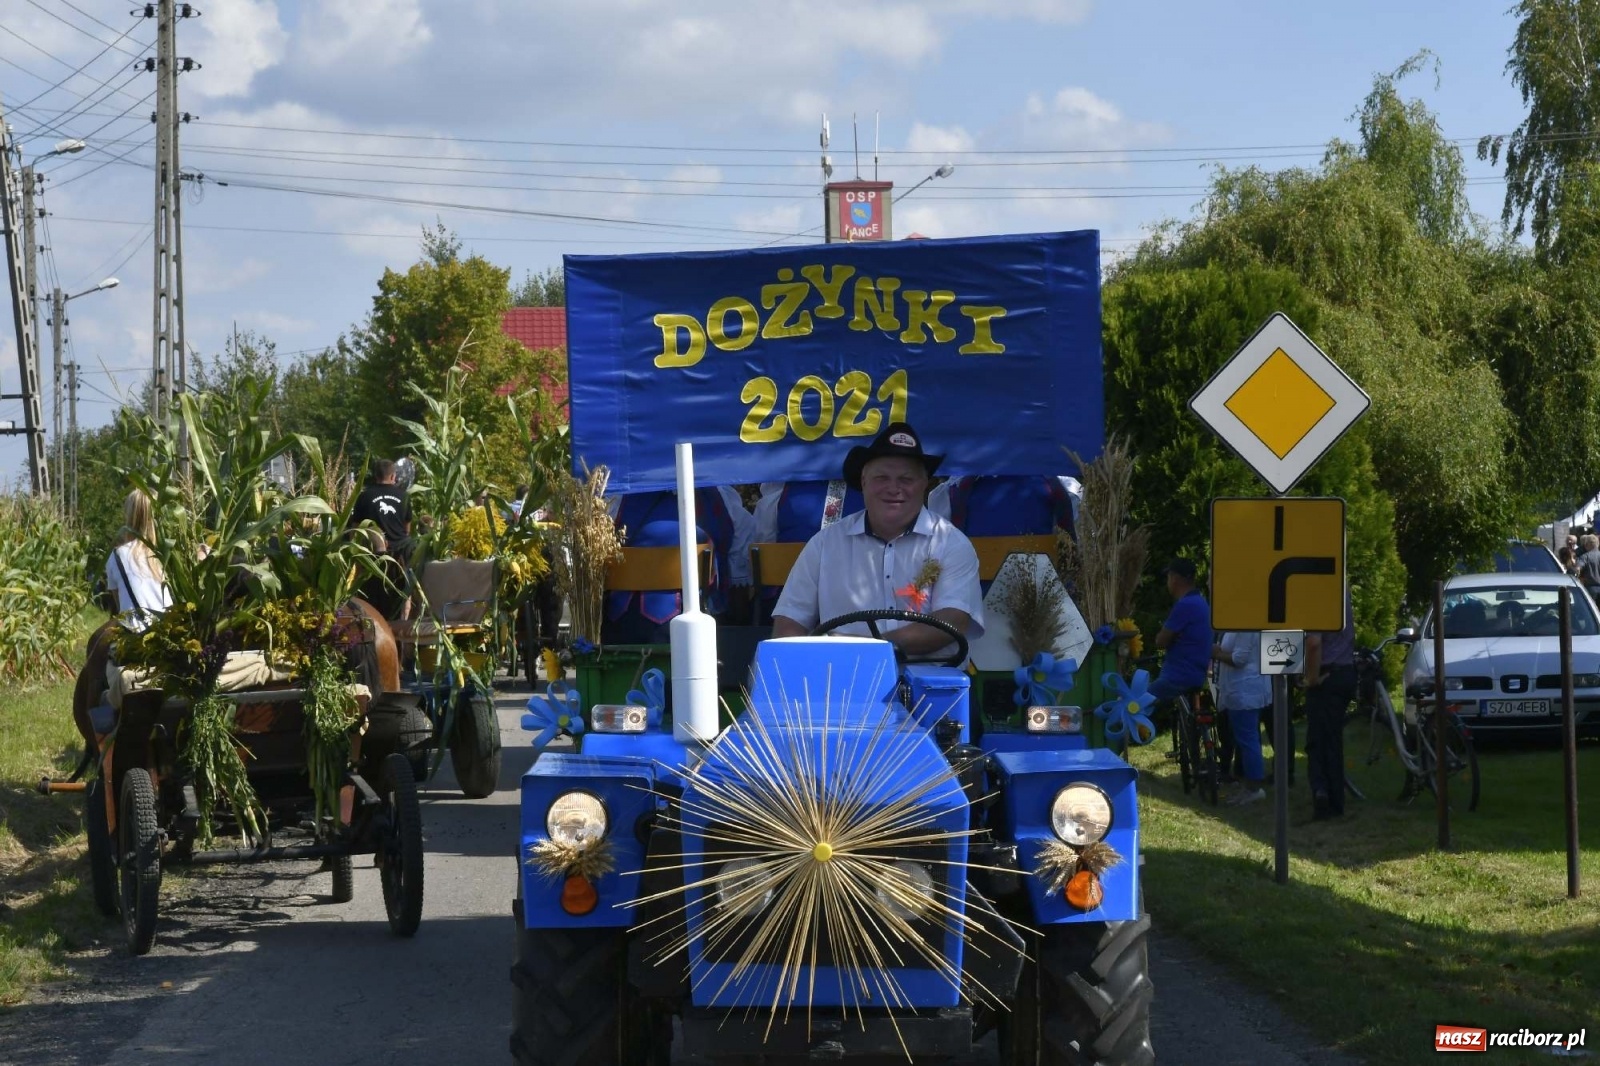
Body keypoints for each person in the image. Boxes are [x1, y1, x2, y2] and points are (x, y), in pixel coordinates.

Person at [772, 422, 983, 659]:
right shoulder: (824, 543)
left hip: (929, 680)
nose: (894, 488)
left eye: (906, 479)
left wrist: (866, 649)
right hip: (843, 680)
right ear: (863, 482)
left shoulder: (951, 543)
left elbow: (952, 620)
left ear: (925, 484)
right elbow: (790, 620)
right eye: (882, 477)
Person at [1302, 587, 1357, 820]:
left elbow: (1314, 643)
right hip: (1345, 671)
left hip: (1327, 676)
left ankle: (1324, 797)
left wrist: (1312, 679)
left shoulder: (1320, 593)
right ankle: (1334, 799)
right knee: (1332, 740)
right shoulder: (1340, 590)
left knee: (1317, 742)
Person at [1211, 631, 1269, 803]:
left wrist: (1217, 653)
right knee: (1245, 740)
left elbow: (1239, 659)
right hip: (1238, 691)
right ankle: (1249, 786)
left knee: (1248, 740)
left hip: (1245, 691)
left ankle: (1254, 788)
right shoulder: (1236, 625)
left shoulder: (1246, 626)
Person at [106, 489, 171, 632]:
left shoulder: (116, 557)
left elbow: (120, 607)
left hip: (135, 638)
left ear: (128, 517)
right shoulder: (168, 555)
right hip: (172, 632)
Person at [1149, 559, 1212, 704]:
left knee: (1135, 705)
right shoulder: (1201, 602)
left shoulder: (1185, 605)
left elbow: (1161, 641)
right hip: (1197, 674)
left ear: (1175, 579)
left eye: (1168, 577)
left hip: (1178, 676)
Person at [349, 459, 413, 564]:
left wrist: (354, 554)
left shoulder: (365, 496)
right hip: (400, 553)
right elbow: (407, 528)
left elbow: (355, 528)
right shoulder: (404, 496)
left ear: (376, 476)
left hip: (372, 555)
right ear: (393, 476)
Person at [1578, 534, 1600, 599]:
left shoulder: (1585, 557)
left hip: (1590, 589)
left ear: (1587, 545)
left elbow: (1577, 568)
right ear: (1597, 544)